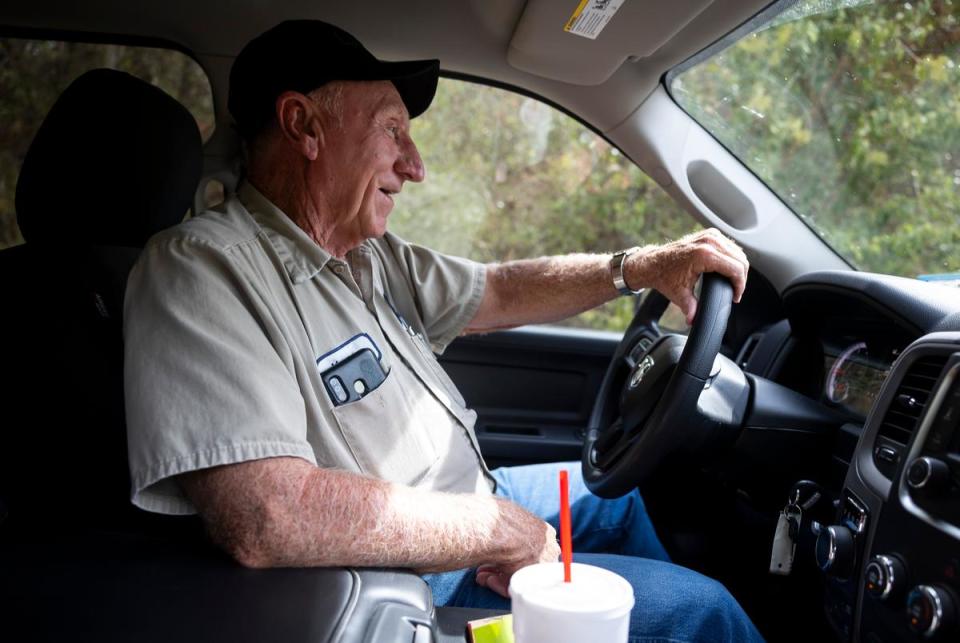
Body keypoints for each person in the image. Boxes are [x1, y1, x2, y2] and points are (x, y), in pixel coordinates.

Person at [123, 20, 762, 642]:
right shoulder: (202, 270)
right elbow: (269, 515)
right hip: (416, 578)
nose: (415, 165)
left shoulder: (369, 255)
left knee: (621, 498)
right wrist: (493, 528)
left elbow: (503, 288)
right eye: (393, 130)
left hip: (476, 497)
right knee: (704, 611)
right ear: (303, 126)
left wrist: (639, 267)